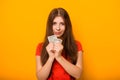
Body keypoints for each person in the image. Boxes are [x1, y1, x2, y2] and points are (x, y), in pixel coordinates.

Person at [35, 7, 83, 80]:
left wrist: (59, 57)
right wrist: (51, 57)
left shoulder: (76, 45)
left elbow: (78, 74)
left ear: (67, 26)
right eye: (54, 23)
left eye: (62, 24)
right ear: (50, 25)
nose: (58, 28)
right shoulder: (40, 47)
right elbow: (40, 78)